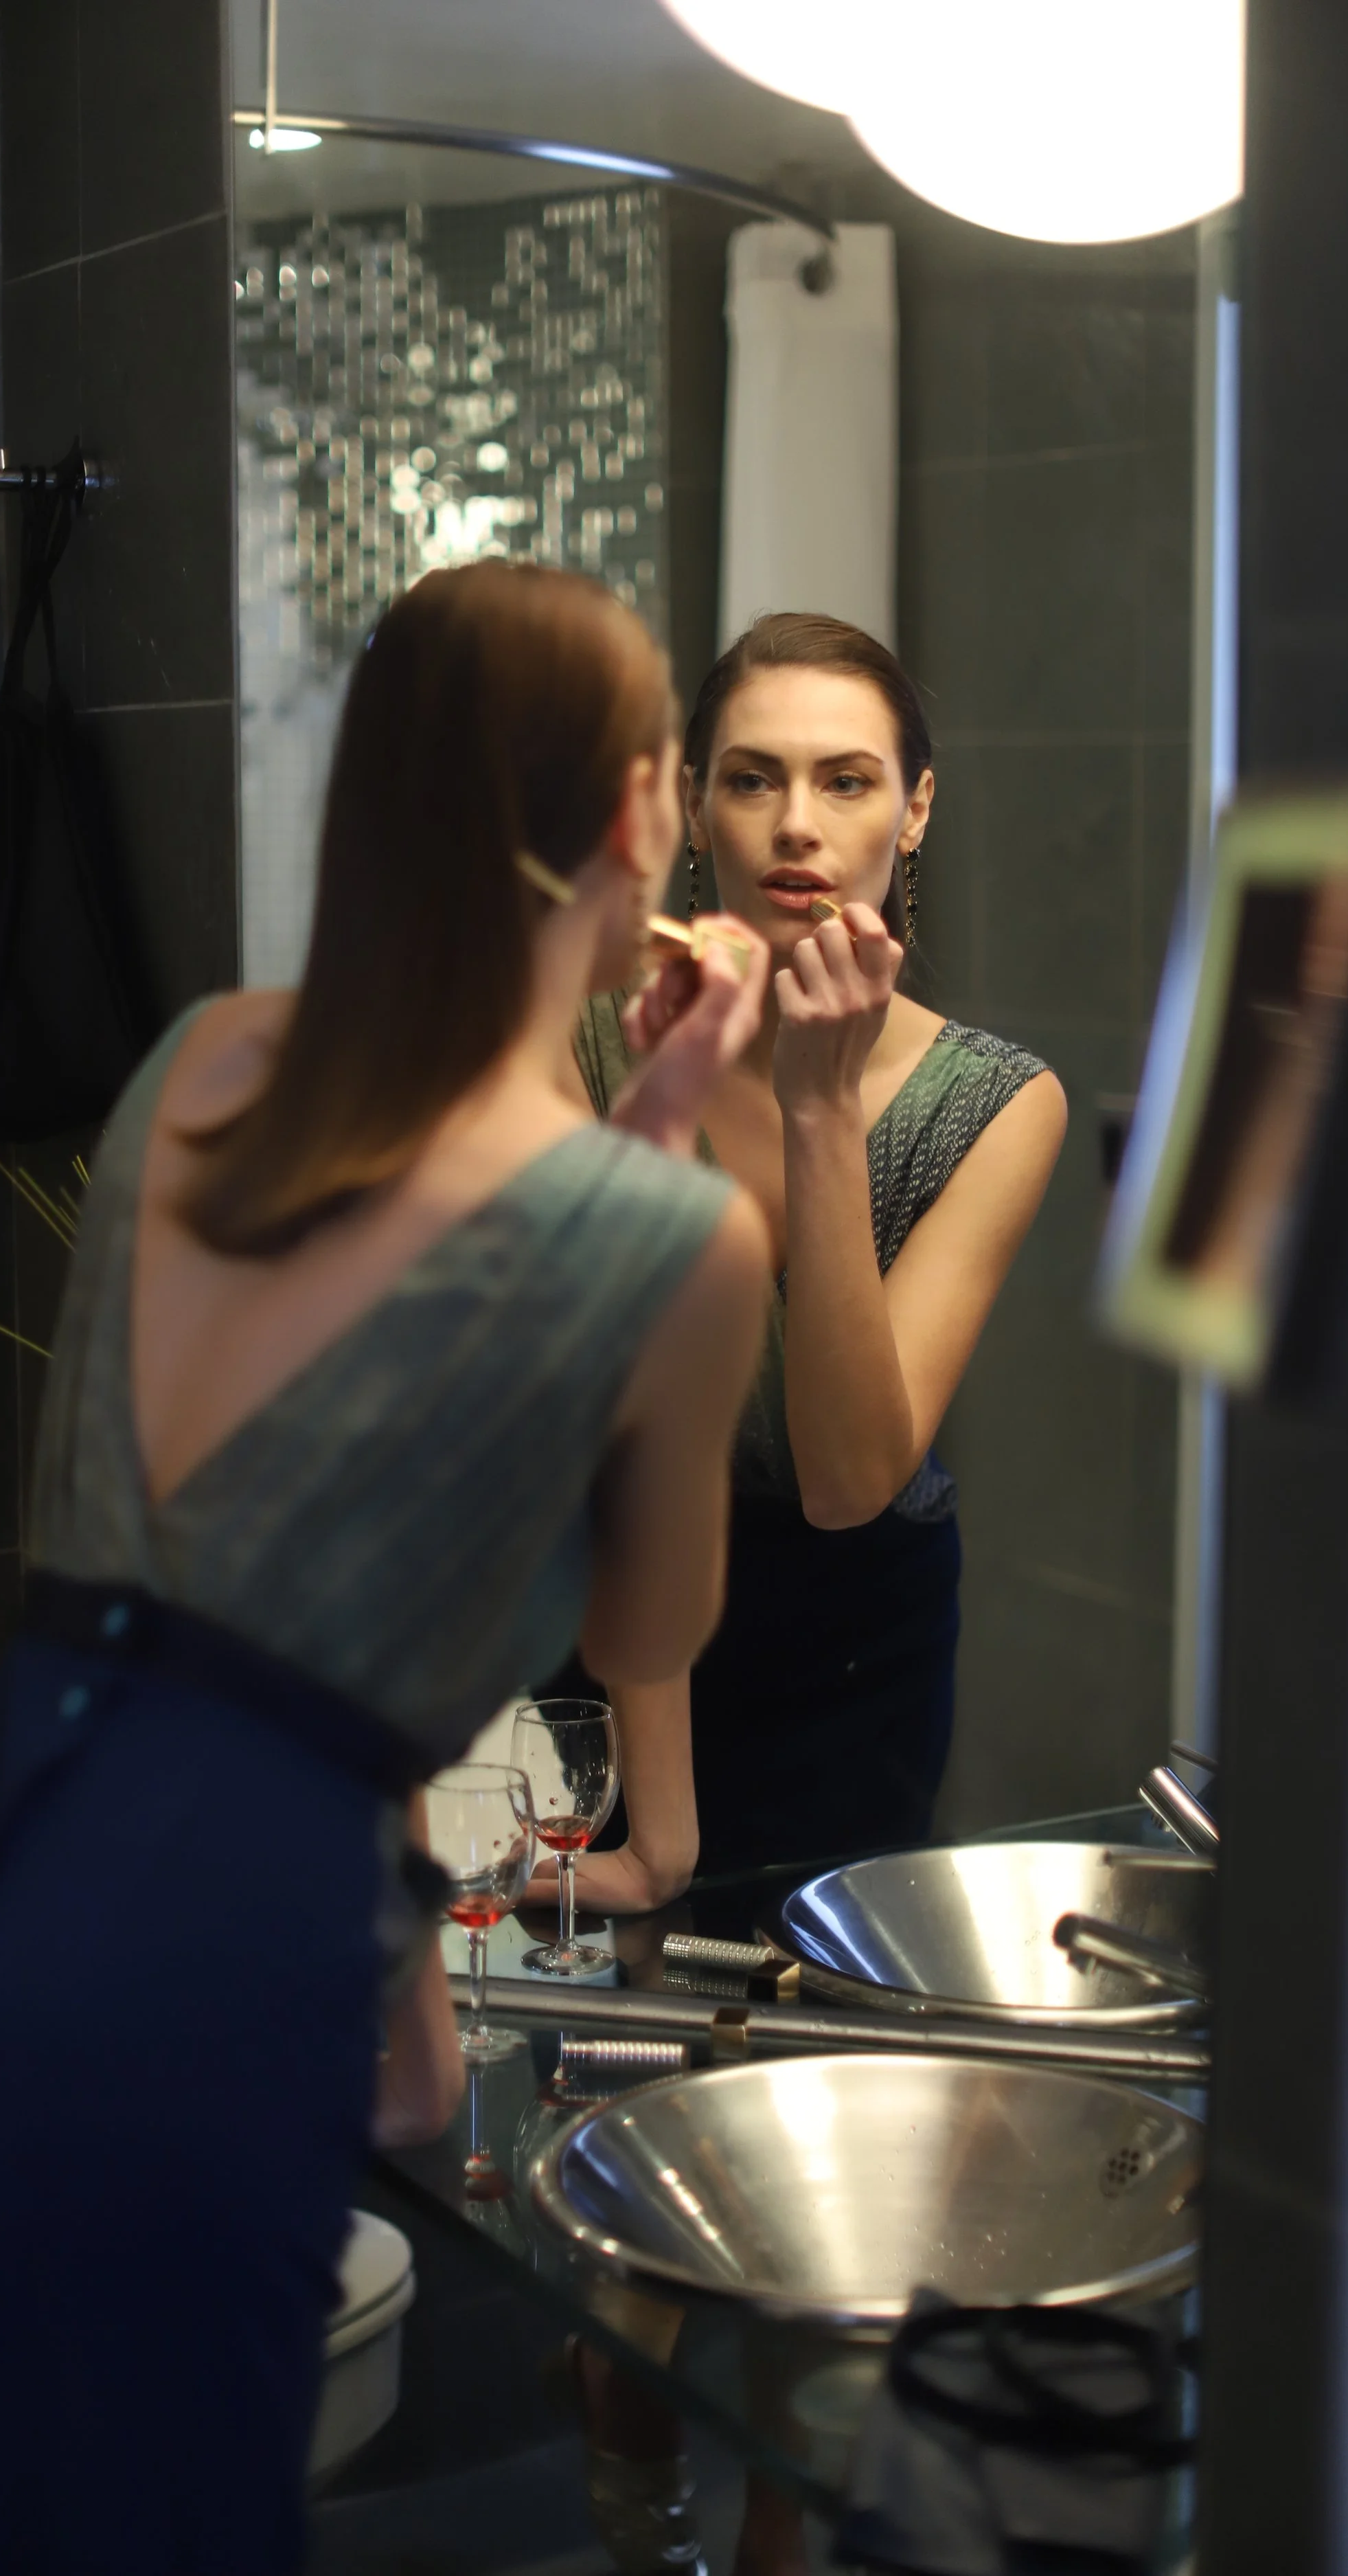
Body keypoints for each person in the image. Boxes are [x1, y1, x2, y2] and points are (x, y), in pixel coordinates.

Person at [0, 563, 770, 2576]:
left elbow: (237, 1614)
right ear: (635, 813)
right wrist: (680, 1149)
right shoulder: (673, 1244)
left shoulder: (198, 1070)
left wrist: (644, 1127)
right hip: (181, 2031)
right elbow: (645, 1626)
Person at [565, 611, 1067, 1895]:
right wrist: (659, 1833)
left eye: (847, 781)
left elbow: (848, 1481)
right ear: (693, 804)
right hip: (600, 1641)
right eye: (753, 779)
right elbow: (612, 1424)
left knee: (818, 2003)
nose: (798, 824)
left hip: (854, 1657)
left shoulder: (999, 1102)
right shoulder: (582, 1035)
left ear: (915, 809)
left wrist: (821, 1105)